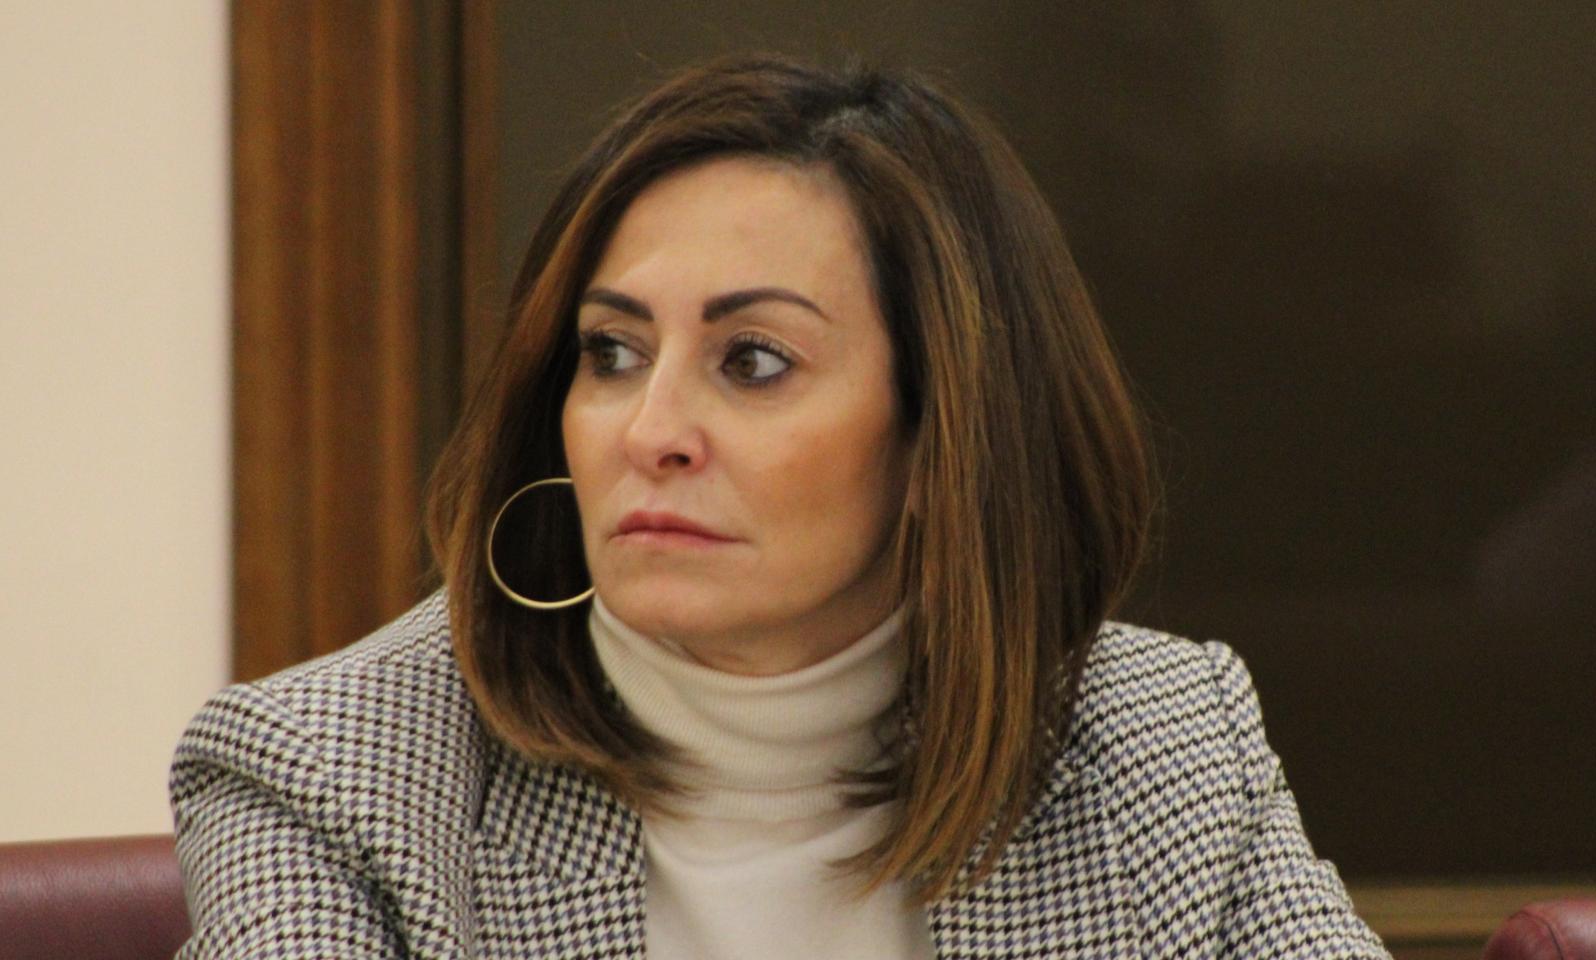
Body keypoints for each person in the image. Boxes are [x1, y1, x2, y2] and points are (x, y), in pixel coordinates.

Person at [169, 52, 1391, 959]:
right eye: (610, 353)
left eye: (751, 361)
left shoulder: (1160, 742)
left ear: (942, 434)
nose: (648, 431)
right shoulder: (331, 777)